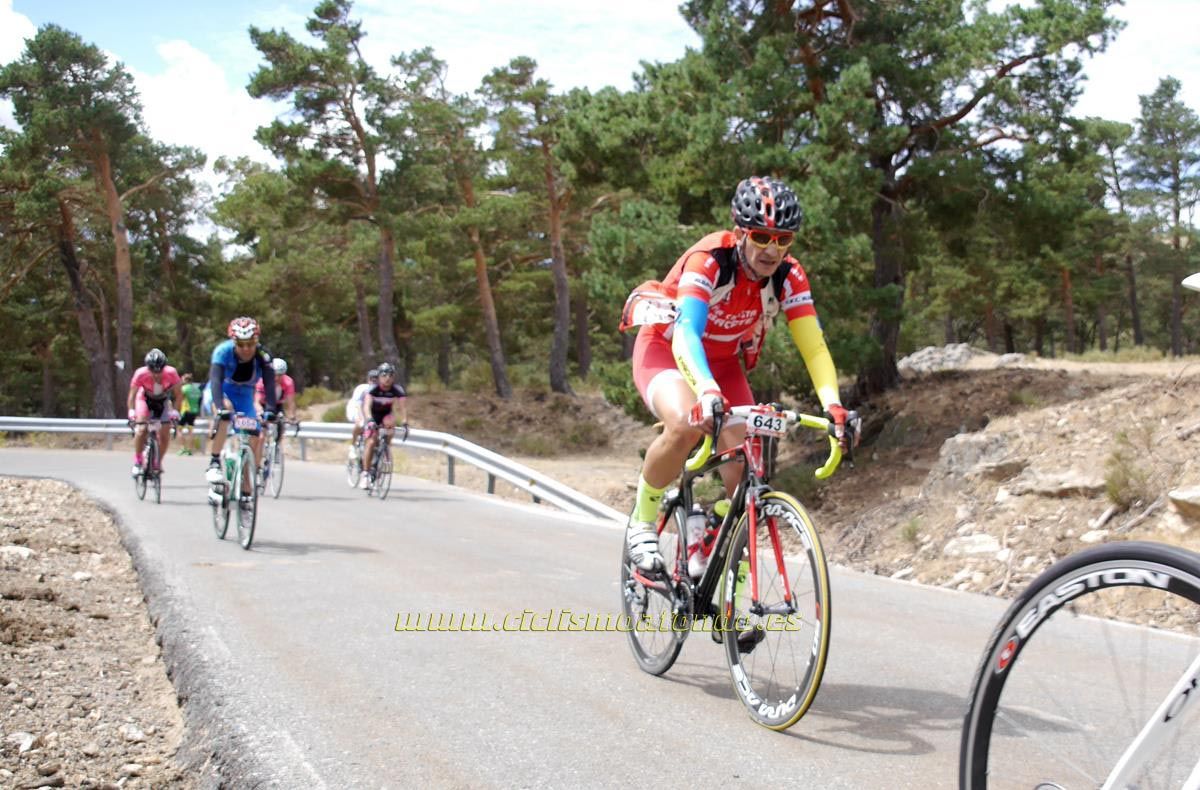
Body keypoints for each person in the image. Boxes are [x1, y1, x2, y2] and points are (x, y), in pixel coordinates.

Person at [620, 175, 853, 577]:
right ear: (740, 232)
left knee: (747, 472)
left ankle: (718, 542)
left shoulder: (789, 275)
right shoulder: (710, 259)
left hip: (724, 363)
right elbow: (687, 332)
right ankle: (642, 522)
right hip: (668, 349)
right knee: (684, 424)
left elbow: (814, 347)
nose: (772, 249)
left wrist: (832, 405)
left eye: (783, 239)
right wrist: (706, 390)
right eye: (761, 237)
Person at [204, 317, 277, 506]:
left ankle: (246, 491)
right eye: (241, 344)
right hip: (221, 391)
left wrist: (270, 409)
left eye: (250, 344)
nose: (246, 349)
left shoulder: (263, 355)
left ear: (256, 341)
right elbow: (216, 381)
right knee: (225, 413)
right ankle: (214, 462)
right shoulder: (222, 351)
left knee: (254, 435)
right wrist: (220, 407)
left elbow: (269, 384)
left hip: (244, 395)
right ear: (233, 342)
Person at [127, 349, 184, 476]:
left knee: (165, 434)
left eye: (160, 370)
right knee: (141, 429)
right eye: (153, 370)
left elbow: (179, 395)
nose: (156, 374)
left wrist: (175, 412)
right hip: (144, 399)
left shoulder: (171, 373)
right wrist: (131, 412)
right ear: (148, 367)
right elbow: (132, 395)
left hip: (162, 400)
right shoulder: (140, 373)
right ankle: (138, 461)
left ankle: (157, 461)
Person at [360, 362, 408, 489]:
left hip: (386, 415)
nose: (388, 378)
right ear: (379, 376)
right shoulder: (373, 388)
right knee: (371, 442)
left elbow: (403, 407)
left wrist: (405, 422)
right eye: (384, 375)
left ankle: (385, 447)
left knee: (390, 425)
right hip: (373, 415)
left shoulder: (397, 389)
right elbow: (366, 406)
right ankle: (365, 474)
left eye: (391, 375)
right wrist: (369, 420)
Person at [256, 357, 297, 445]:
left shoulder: (288, 382)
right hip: (262, 405)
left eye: (280, 375)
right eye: (274, 374)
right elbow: (256, 401)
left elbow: (291, 401)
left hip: (277, 405)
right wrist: (260, 411)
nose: (276, 378)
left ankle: (277, 446)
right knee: (262, 430)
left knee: (281, 425)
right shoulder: (262, 381)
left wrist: (292, 416)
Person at [346, 368, 379, 461]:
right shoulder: (362, 389)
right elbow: (358, 405)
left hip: (368, 409)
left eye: (376, 379)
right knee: (360, 423)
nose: (374, 381)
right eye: (372, 379)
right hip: (355, 407)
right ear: (368, 380)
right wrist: (362, 418)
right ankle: (352, 446)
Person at [178, 373, 202, 455]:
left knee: (179, 430)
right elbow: (199, 401)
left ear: (185, 380)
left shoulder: (184, 388)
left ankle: (182, 448)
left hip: (185, 410)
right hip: (194, 411)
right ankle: (190, 450)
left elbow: (180, 399)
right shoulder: (197, 389)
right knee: (190, 431)